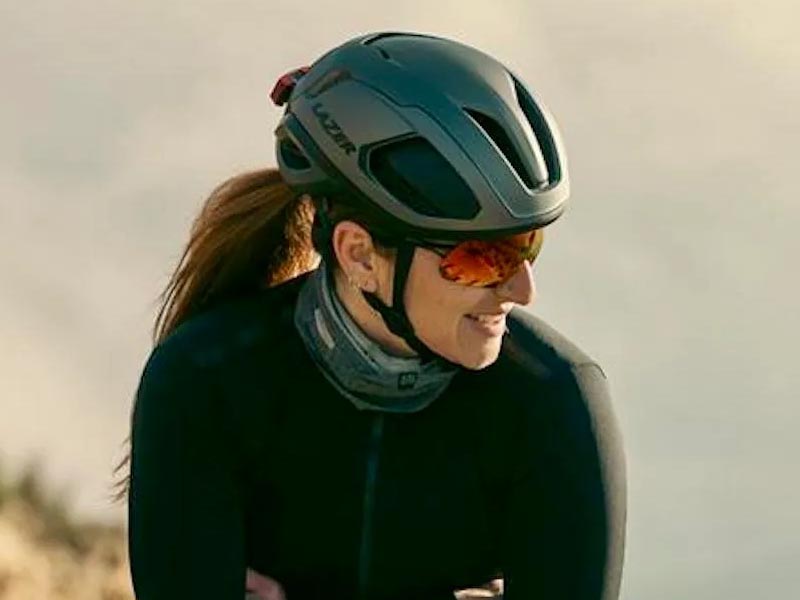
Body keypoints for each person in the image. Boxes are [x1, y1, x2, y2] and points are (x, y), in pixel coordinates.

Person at [112, 31, 626, 600]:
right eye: (479, 258)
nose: (522, 289)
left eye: (526, 245)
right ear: (359, 255)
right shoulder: (204, 380)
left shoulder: (553, 400)